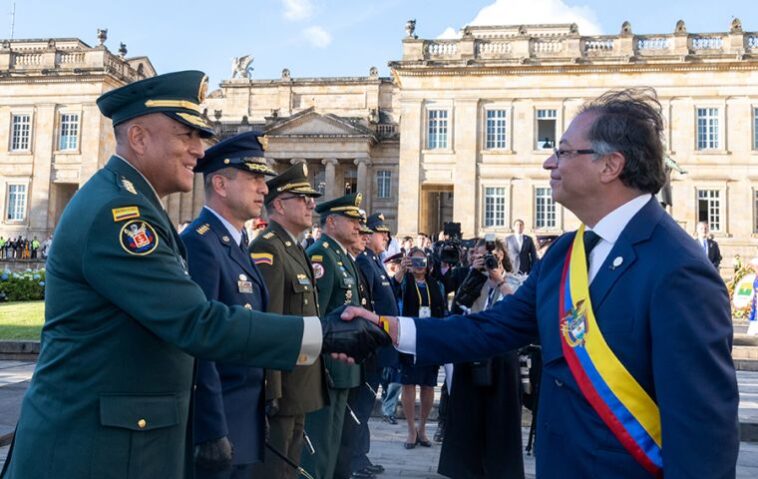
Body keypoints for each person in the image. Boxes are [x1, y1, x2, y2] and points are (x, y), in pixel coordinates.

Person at [0, 71, 388, 479]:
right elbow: (195, 321)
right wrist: (321, 334)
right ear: (139, 138)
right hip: (95, 449)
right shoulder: (119, 215)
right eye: (186, 135)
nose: (199, 151)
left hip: (123, 440)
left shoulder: (134, 205)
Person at [348, 88, 739, 478]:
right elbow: (495, 326)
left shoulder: (679, 268)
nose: (550, 162)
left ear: (611, 166)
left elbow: (702, 434)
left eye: (565, 152)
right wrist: (390, 328)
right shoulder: (567, 253)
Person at [180, 131, 277, 478]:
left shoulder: (235, 242)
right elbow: (200, 341)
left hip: (241, 414)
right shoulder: (201, 244)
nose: (264, 189)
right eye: (254, 178)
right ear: (220, 184)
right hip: (218, 419)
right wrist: (210, 427)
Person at [249, 162, 327, 479]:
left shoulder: (294, 248)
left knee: (289, 470)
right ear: (279, 204)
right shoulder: (268, 248)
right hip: (283, 388)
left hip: (299, 384)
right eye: (302, 198)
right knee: (274, 471)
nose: (311, 203)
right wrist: (273, 392)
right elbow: (270, 322)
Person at [438, 238, 524, 479]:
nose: (487, 260)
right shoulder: (473, 280)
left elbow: (518, 312)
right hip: (472, 354)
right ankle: (466, 469)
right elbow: (457, 312)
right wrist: (473, 277)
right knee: (468, 418)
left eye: (491, 255)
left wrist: (500, 281)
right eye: (481, 255)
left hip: (502, 359)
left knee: (501, 420)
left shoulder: (515, 279)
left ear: (501, 256)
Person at [302, 193, 364, 479]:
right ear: (331, 222)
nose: (357, 226)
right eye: (351, 220)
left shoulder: (341, 255)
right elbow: (318, 315)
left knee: (334, 440)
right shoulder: (321, 254)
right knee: (321, 444)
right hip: (328, 365)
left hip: (344, 364)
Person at [394, 247, 447, 450]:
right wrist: (401, 270)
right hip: (409, 336)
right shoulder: (405, 283)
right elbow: (392, 291)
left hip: (430, 337)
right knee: (408, 384)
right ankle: (410, 429)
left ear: (428, 264)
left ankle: (423, 428)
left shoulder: (436, 285)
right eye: (414, 262)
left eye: (421, 262)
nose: (418, 266)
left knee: (427, 384)